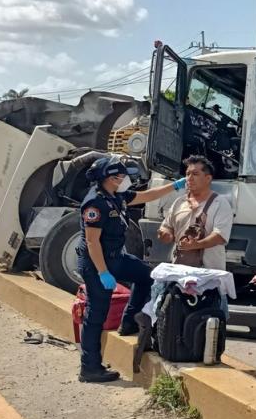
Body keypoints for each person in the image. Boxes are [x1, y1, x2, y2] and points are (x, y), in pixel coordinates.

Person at [77, 156, 184, 383]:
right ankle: (90, 367)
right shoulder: (95, 204)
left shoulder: (117, 197)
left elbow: (147, 196)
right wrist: (103, 273)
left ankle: (129, 321)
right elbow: (92, 243)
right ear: (110, 178)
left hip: (117, 258)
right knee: (96, 314)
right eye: (122, 176)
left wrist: (174, 186)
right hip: (97, 263)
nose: (126, 180)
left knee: (148, 276)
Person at [157, 155, 233, 271]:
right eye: (187, 174)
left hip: (208, 274)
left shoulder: (220, 204)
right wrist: (166, 235)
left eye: (195, 174)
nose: (189, 178)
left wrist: (196, 244)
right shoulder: (179, 202)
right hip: (179, 272)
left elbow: (220, 236)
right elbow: (167, 228)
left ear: (208, 178)